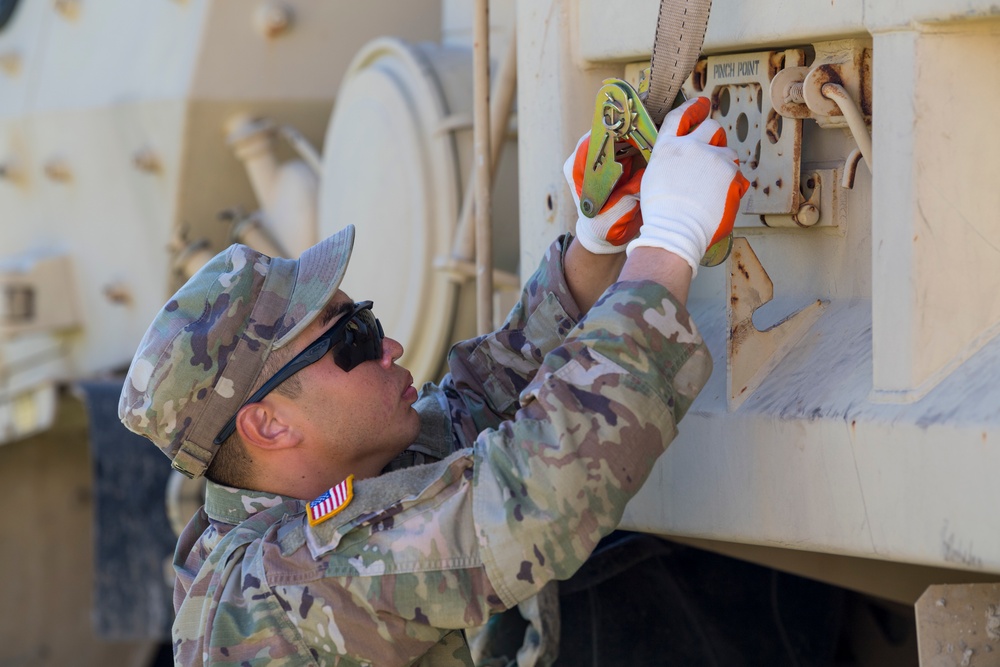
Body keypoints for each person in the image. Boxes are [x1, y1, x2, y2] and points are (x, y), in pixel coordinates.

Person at [119, 97, 749, 666]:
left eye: (367, 319)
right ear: (270, 423)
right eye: (352, 340)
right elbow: (527, 503)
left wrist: (595, 241)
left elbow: (477, 407)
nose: (388, 345)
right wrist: (669, 243)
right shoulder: (289, 585)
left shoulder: (299, 490)